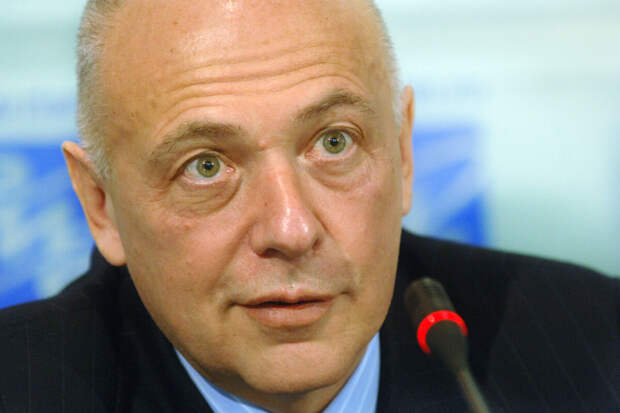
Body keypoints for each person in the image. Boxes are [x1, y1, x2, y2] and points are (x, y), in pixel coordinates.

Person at [0, 1, 618, 412]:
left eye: (334, 143)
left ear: (403, 155)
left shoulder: (596, 352)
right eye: (206, 166)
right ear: (101, 204)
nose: (291, 230)